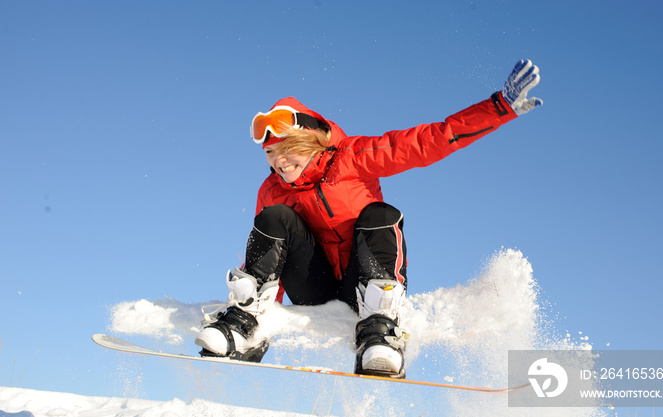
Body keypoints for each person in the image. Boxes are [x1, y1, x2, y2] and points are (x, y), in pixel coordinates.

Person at [195, 59, 543, 379]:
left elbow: (430, 141)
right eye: (271, 153)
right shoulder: (272, 190)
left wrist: (498, 108)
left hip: (363, 288)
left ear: (312, 140)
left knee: (380, 214)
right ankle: (244, 326)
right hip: (313, 289)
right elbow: (269, 257)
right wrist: (261, 331)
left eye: (289, 150)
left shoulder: (353, 158)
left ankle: (381, 331)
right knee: (274, 218)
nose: (279, 163)